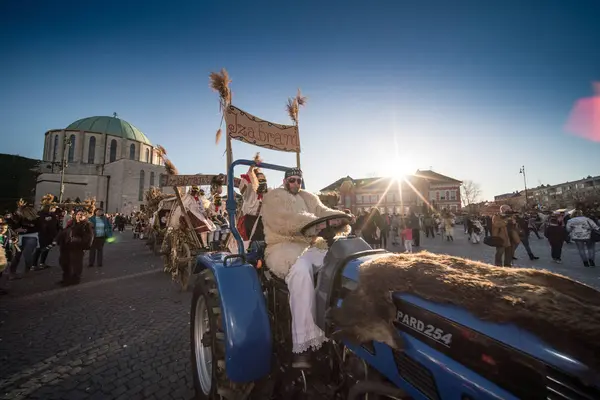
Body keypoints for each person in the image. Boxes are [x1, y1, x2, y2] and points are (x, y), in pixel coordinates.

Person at [261, 168, 350, 369]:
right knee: (300, 269)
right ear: (284, 181)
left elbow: (322, 212)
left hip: (310, 245)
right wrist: (313, 224)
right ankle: (304, 342)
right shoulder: (273, 198)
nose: (295, 184)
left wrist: (339, 216)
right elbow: (283, 221)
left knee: (340, 261)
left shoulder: (308, 197)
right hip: (281, 246)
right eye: (292, 180)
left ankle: (339, 321)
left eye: (299, 180)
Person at [56, 208, 93, 286]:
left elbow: (89, 236)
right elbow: (64, 231)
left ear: (85, 216)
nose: (79, 216)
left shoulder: (86, 225)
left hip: (77, 247)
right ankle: (66, 278)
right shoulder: (71, 223)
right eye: (78, 214)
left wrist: (80, 241)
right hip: (66, 246)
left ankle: (75, 279)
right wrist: (58, 239)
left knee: (76, 264)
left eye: (81, 215)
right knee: (64, 262)